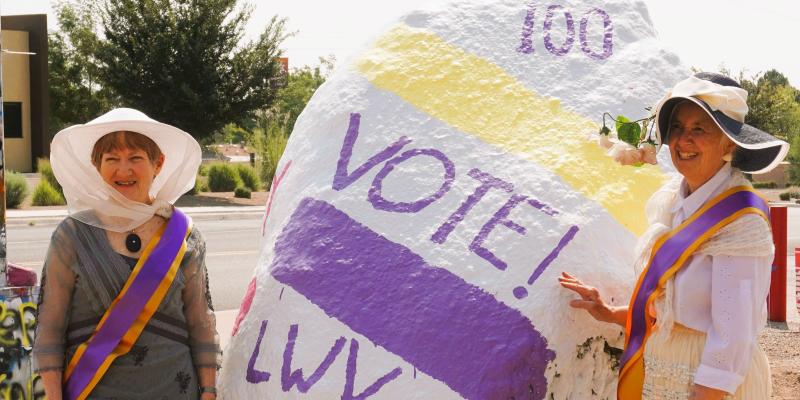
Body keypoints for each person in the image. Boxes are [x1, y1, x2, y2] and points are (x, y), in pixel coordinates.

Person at [559, 72, 789, 400]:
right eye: (678, 127)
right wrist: (611, 313)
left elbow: (733, 339)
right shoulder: (673, 202)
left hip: (710, 387)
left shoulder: (741, 223)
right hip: (662, 375)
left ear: (728, 142)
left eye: (700, 129)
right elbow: (674, 313)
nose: (683, 140)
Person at [33, 108, 220, 400]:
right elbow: (49, 329)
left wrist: (209, 391)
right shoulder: (71, 236)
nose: (123, 170)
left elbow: (201, 323)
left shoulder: (184, 235)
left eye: (135, 158)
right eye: (111, 159)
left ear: (158, 163)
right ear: (97, 166)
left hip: (173, 390)